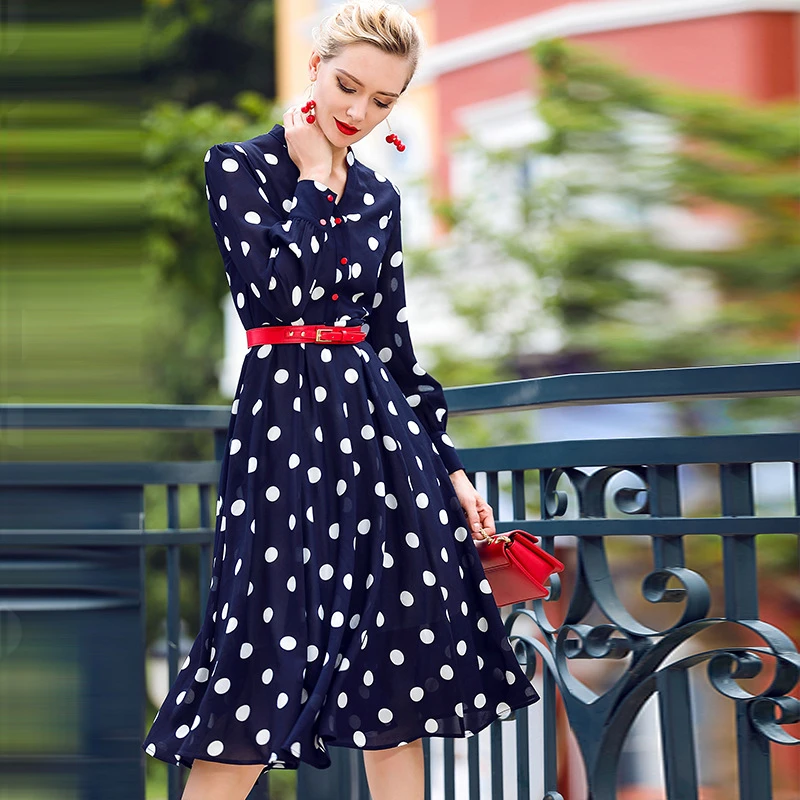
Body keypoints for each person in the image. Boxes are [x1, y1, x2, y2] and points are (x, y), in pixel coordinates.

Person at [142, 2, 539, 798]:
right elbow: (278, 295)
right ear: (314, 66)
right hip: (283, 445)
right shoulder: (238, 169)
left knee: (397, 682)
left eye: (383, 102)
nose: (357, 113)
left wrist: (453, 472)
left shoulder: (381, 199)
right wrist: (314, 178)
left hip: (387, 454)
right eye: (347, 86)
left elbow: (393, 348)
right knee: (258, 665)